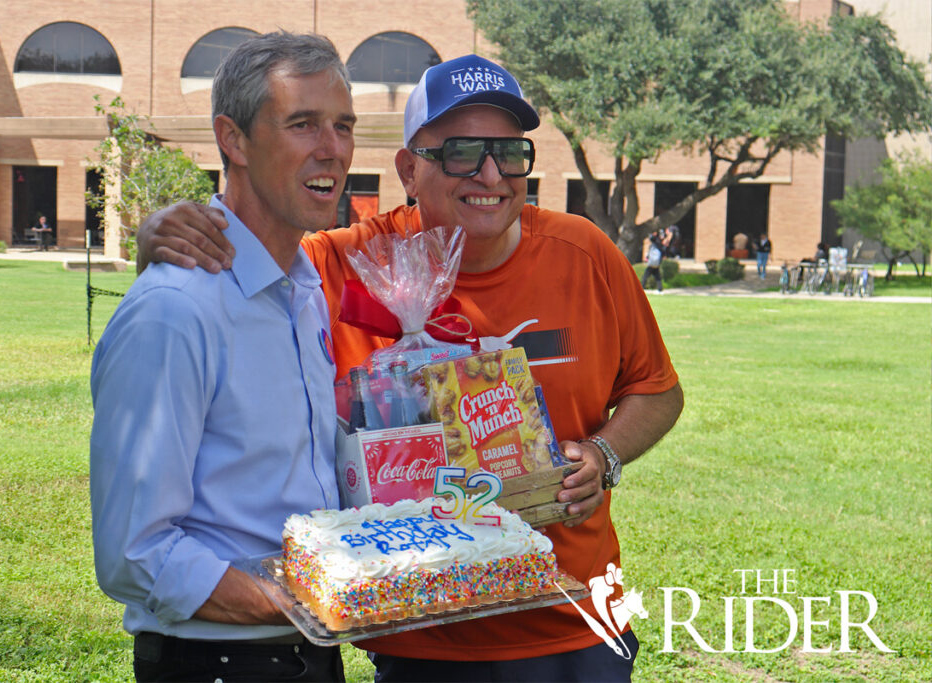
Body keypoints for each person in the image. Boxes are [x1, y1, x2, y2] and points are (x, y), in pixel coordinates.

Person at [138, 54, 684, 682]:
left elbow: (657, 391)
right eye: (461, 151)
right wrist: (162, 234)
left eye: (510, 152)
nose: (490, 174)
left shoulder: (584, 253)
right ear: (408, 169)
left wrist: (604, 455)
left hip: (574, 623)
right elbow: (236, 259)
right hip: (418, 634)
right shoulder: (335, 265)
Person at [88, 32, 355, 682]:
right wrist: (302, 602)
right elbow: (135, 552)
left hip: (313, 650)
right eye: (302, 124)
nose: (334, 149)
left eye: (344, 125)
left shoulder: (305, 289)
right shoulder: (175, 311)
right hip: (220, 662)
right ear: (232, 140)